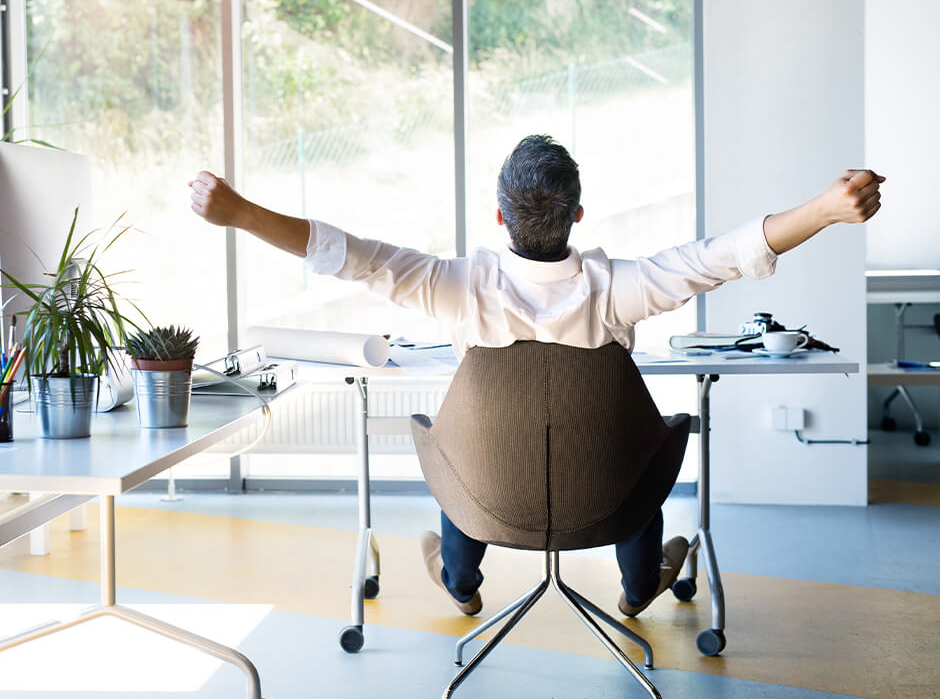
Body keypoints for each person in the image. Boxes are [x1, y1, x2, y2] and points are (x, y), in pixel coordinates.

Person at [189, 134, 884, 618]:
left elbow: (353, 257)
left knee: (458, 439)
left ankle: (461, 580)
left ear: (499, 216)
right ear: (578, 213)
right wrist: (824, 208)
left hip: (492, 501)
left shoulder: (457, 288)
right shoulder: (622, 289)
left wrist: (241, 214)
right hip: (605, 502)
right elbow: (724, 256)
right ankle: (639, 583)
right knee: (642, 440)